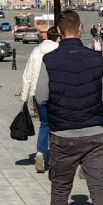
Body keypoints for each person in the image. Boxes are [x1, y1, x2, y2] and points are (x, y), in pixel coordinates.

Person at [35, 9, 103, 205]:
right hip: (95, 134)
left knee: (60, 190)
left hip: (63, 135)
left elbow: (40, 97)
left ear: (58, 31)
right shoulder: (97, 58)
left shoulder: (49, 59)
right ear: (80, 28)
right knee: (99, 189)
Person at [21, 26, 60, 174]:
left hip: (38, 93)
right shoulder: (59, 50)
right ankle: (56, 156)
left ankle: (40, 152)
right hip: (56, 93)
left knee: (44, 124)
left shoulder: (36, 51)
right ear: (58, 37)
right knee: (57, 125)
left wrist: (24, 97)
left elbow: (27, 75)